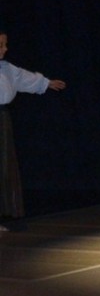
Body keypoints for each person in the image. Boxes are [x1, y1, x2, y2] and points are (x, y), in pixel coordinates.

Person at [0, 30, 66, 231]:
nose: (5, 49)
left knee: (3, 168)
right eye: (1, 45)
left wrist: (46, 83)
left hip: (2, 120)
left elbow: (23, 77)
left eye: (5, 44)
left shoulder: (6, 68)